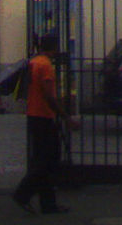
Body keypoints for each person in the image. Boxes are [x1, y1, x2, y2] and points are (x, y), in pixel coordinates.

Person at [12, 32, 78, 215]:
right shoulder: (46, 66)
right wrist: (66, 117)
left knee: (44, 160)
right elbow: (49, 95)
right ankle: (22, 194)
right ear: (54, 48)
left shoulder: (34, 62)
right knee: (48, 161)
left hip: (34, 115)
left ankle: (48, 204)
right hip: (44, 117)